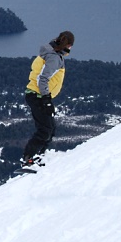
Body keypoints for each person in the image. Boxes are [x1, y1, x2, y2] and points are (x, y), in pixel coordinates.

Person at [22, 31, 75, 168]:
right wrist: (46, 99)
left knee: (50, 128)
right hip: (38, 96)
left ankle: (39, 156)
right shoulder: (54, 58)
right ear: (68, 45)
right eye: (70, 46)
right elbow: (43, 79)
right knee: (45, 129)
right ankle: (28, 159)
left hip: (37, 95)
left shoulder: (50, 52)